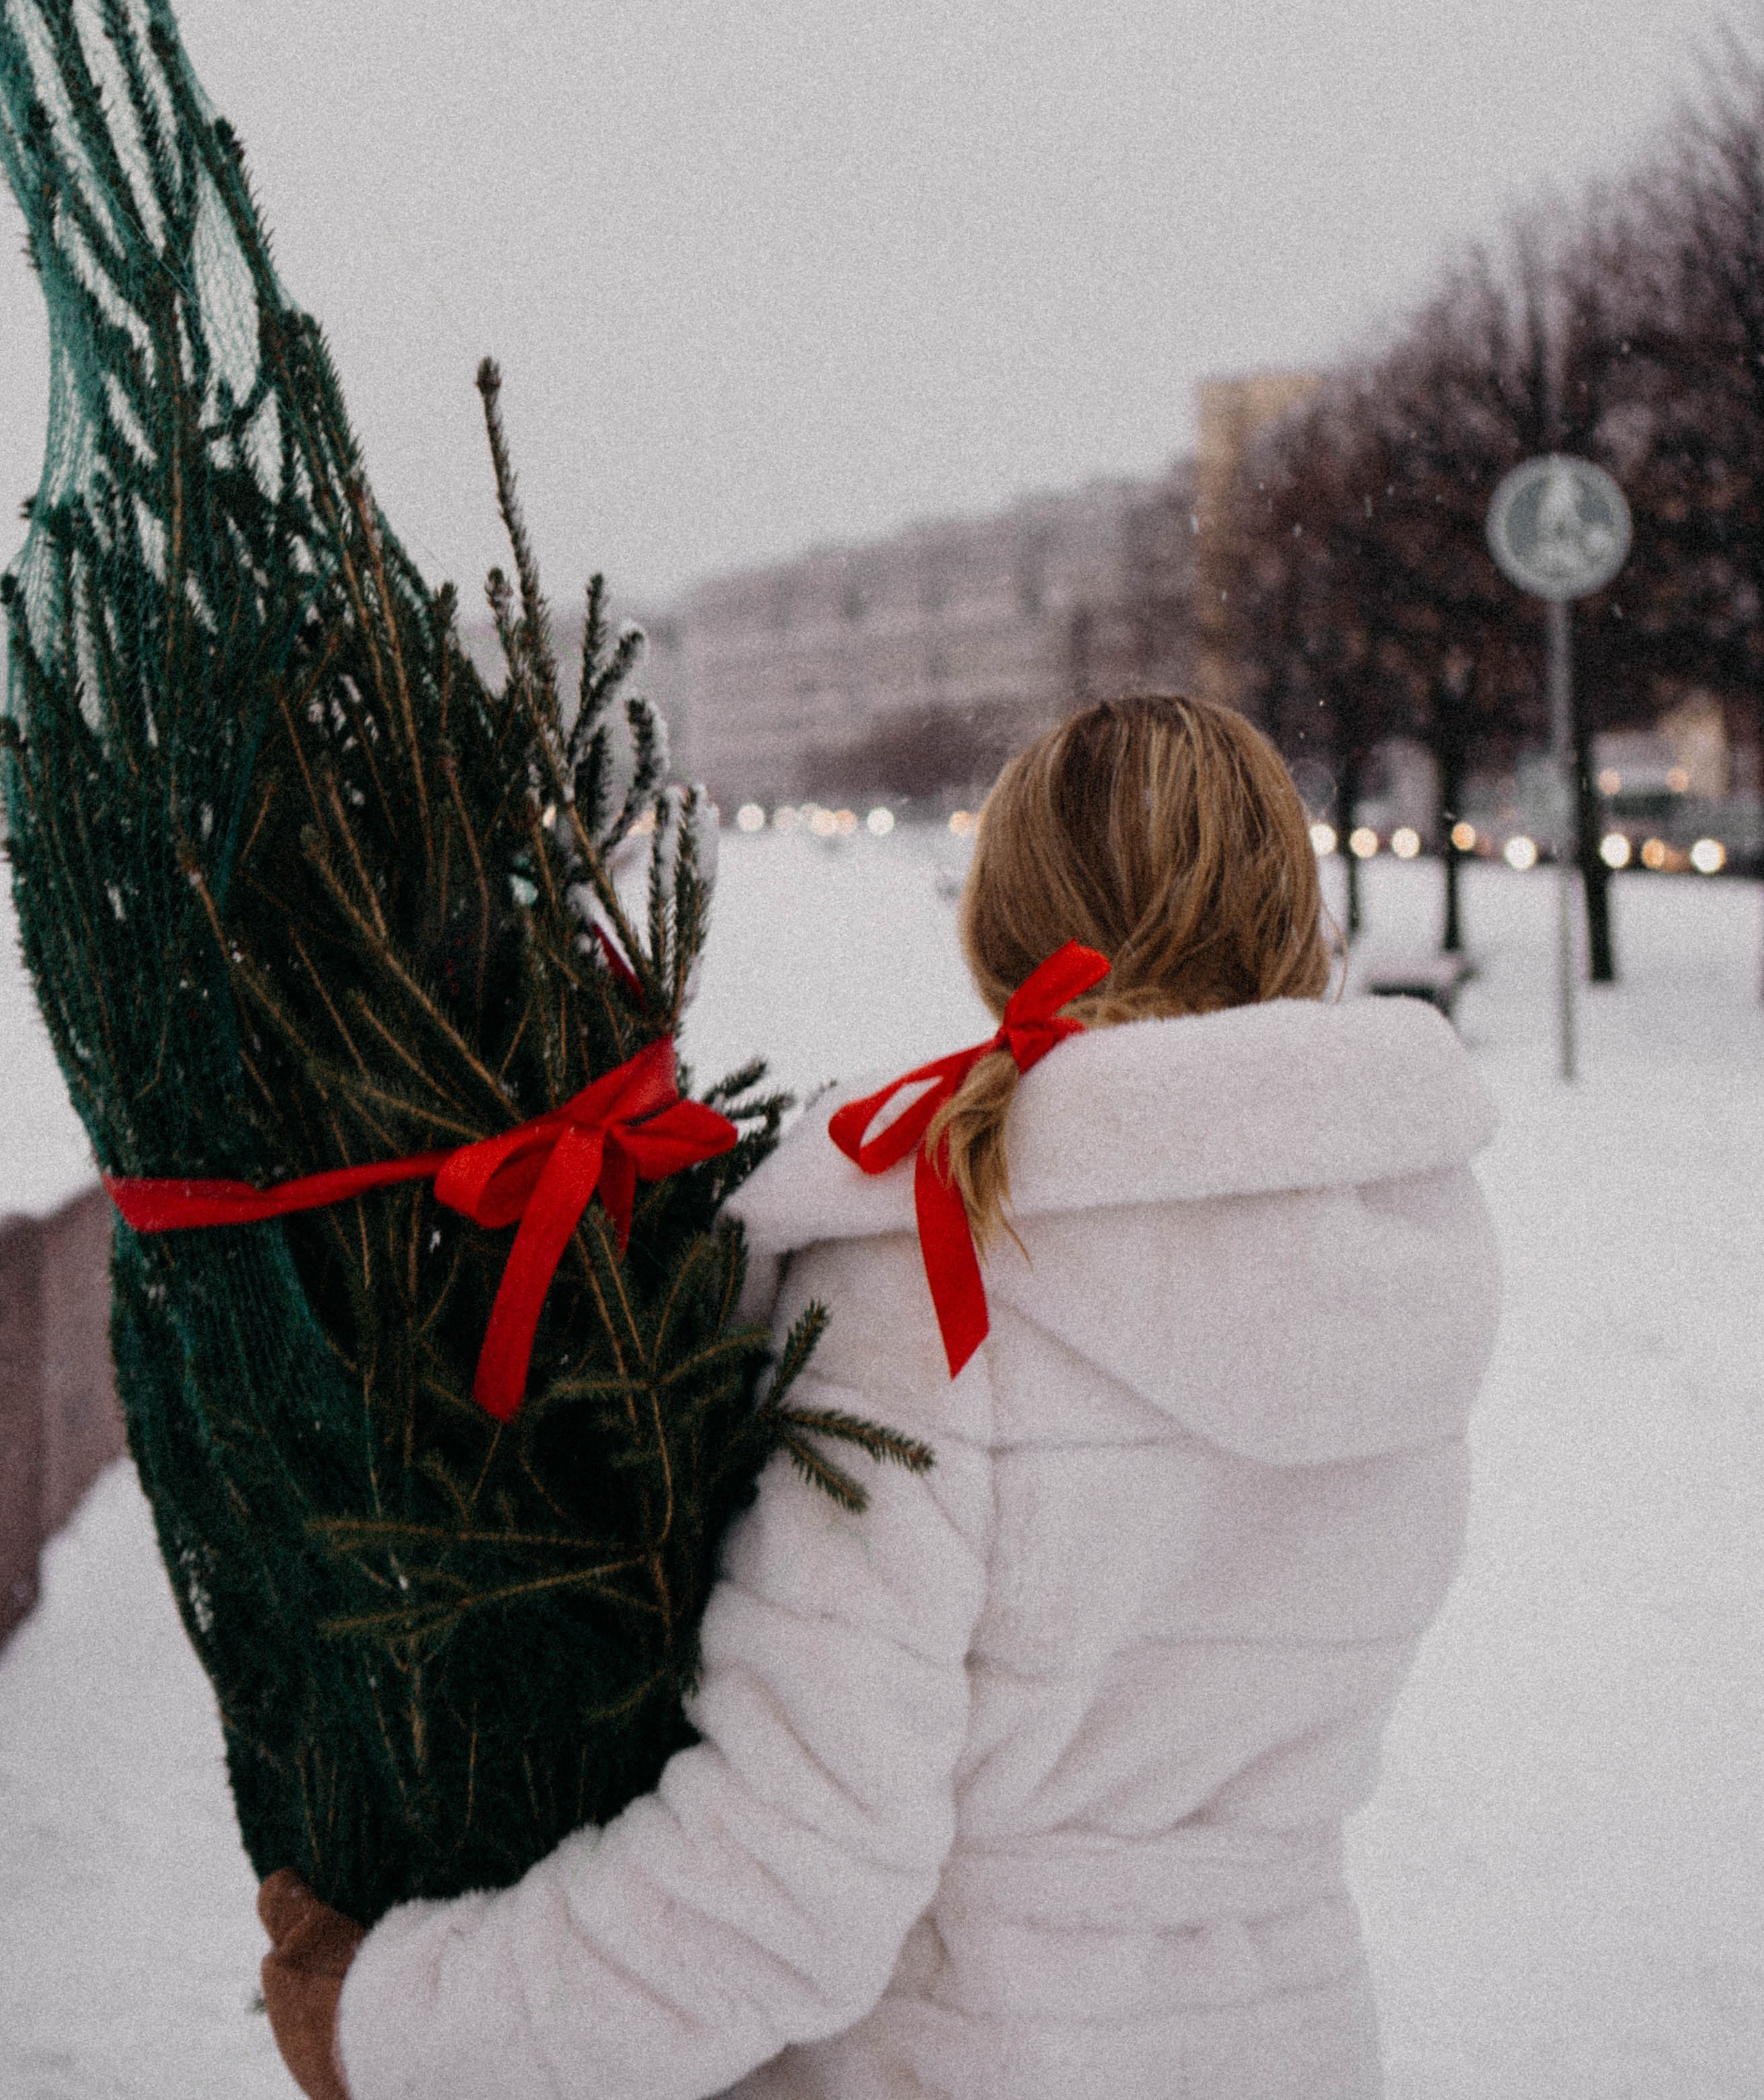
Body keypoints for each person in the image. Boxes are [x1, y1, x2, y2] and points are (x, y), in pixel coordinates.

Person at [262, 692, 1499, 2100]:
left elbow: (787, 1881)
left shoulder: (942, 1277)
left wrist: (404, 2022)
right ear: (1293, 909)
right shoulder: (1396, 1259)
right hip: (1284, 2047)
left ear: (1003, 914)